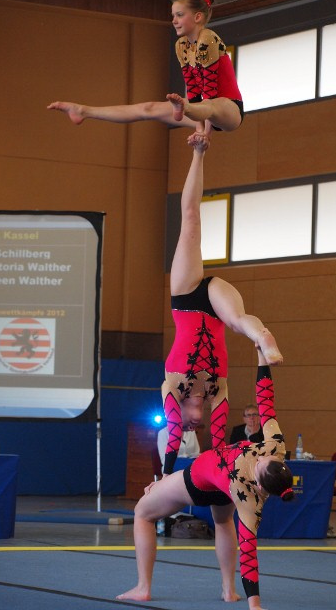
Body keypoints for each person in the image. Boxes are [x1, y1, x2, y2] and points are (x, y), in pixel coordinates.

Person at [117, 346, 294, 609]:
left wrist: (255, 604)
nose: (260, 458)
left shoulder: (249, 497)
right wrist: (262, 358)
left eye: (259, 465)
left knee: (143, 512)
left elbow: (249, 553)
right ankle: (228, 590)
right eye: (267, 458)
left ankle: (143, 587)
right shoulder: (274, 448)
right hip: (223, 490)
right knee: (223, 521)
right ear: (280, 461)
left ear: (259, 485)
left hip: (196, 482)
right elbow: (265, 399)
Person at [160, 134, 283, 475]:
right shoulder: (219, 390)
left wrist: (165, 477)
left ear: (180, 412)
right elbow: (218, 446)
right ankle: (262, 336)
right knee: (238, 320)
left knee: (190, 221)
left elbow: (172, 437)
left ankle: (198, 153)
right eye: (194, 425)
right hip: (215, 309)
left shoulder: (172, 387)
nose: (193, 423)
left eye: (188, 422)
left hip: (185, 297)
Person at [47, 0, 243, 138]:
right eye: (173, 15)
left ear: (197, 17)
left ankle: (183, 108)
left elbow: (209, 91)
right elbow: (193, 89)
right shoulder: (181, 45)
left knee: (211, 105)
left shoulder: (208, 38)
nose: (174, 20)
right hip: (199, 108)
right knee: (148, 108)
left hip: (229, 108)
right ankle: (83, 111)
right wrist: (199, 127)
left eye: (179, 15)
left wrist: (204, 133)